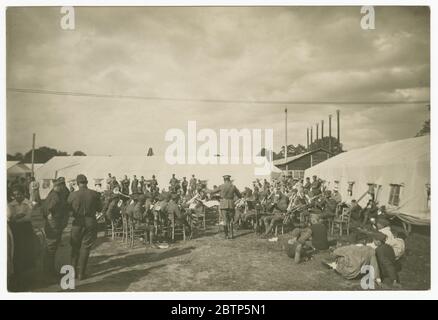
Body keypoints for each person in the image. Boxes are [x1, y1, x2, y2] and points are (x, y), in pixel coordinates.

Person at [67, 174, 102, 280]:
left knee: (75, 247)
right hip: (90, 222)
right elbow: (99, 209)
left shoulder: (72, 195)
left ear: (77, 184)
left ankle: (72, 273)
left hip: (77, 223)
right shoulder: (94, 194)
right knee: (85, 247)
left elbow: (68, 210)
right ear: (86, 182)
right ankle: (81, 274)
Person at [8, 187, 36, 290]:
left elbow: (28, 217)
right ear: (13, 195)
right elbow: (10, 217)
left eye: (19, 194)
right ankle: (16, 272)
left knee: (27, 250)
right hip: (15, 231)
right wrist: (17, 218)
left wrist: (17, 219)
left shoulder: (28, 203)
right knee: (16, 250)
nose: (17, 196)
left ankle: (26, 273)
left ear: (23, 193)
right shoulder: (11, 204)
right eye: (15, 194)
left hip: (26, 229)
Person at [43, 177, 70, 278]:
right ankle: (49, 272)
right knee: (51, 249)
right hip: (54, 226)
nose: (63, 188)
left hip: (52, 225)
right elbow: (49, 209)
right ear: (57, 186)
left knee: (51, 249)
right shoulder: (55, 196)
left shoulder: (52, 194)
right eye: (61, 186)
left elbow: (44, 208)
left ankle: (49, 270)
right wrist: (51, 218)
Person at [209, 175, 242, 239]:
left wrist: (204, 189)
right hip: (231, 205)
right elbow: (240, 196)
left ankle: (226, 235)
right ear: (229, 179)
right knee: (231, 220)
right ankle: (232, 235)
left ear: (224, 180)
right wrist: (233, 200)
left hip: (223, 205)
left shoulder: (221, 186)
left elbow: (212, 192)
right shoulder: (233, 186)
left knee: (225, 221)